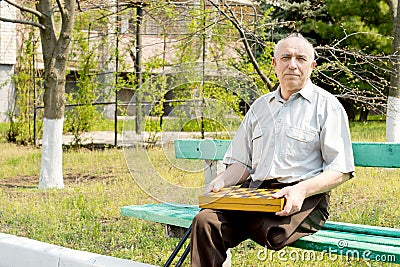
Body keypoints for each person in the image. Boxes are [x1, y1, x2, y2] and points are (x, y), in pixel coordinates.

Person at [190, 33, 355, 266]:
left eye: (301, 58)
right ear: (275, 64)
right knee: (205, 222)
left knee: (274, 233)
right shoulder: (260, 107)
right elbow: (242, 163)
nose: (293, 65)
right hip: (255, 194)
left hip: (305, 197)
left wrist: (300, 190)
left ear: (312, 66)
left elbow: (341, 169)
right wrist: (223, 181)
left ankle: (251, 218)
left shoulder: (327, 106)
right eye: (285, 57)